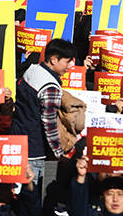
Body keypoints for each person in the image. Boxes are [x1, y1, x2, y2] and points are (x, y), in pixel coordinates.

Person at [10, 39, 77, 185]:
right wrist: (59, 152)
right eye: (67, 61)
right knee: (37, 195)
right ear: (53, 60)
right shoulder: (50, 86)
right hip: (36, 152)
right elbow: (49, 122)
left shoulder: (32, 70)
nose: (70, 66)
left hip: (18, 141)